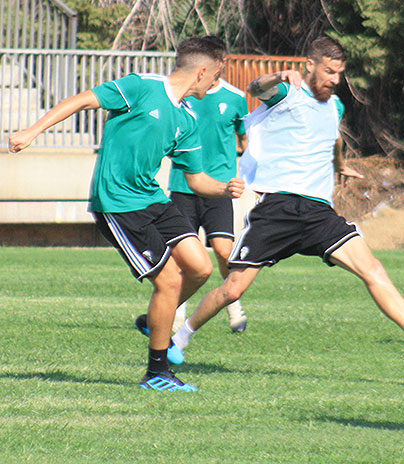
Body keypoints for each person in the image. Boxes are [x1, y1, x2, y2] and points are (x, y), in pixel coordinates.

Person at [171, 36, 404, 362]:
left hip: (318, 212)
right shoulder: (287, 92)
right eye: (329, 72)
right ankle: (182, 336)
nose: (335, 80)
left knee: (372, 268)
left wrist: (340, 166)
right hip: (277, 209)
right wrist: (280, 75)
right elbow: (257, 88)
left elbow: (334, 137)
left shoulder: (335, 105)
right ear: (309, 66)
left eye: (339, 74)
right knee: (233, 289)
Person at [8, 37, 245, 392]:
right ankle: (157, 373)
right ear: (202, 72)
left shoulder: (188, 118)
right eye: (216, 76)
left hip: (152, 197)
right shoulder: (142, 87)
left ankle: (155, 319)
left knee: (201, 267)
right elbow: (83, 99)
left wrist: (224, 189)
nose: (216, 84)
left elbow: (196, 180)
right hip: (118, 203)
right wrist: (33, 131)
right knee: (168, 282)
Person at [163, 36, 250, 335]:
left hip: (218, 188)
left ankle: (232, 304)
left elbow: (245, 138)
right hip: (183, 185)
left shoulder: (236, 98)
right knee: (184, 254)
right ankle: (176, 314)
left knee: (224, 252)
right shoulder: (182, 95)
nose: (220, 67)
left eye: (223, 61)